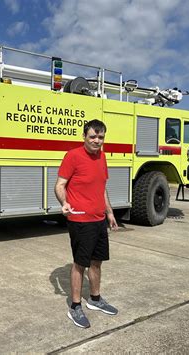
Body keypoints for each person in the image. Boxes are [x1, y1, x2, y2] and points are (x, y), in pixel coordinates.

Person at [55, 119, 119, 328]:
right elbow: (60, 185)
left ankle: (95, 298)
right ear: (84, 136)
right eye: (92, 136)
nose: (96, 141)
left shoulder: (102, 157)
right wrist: (64, 202)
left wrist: (109, 213)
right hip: (80, 219)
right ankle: (74, 307)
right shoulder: (73, 156)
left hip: (99, 218)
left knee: (97, 261)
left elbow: (101, 188)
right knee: (80, 264)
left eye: (100, 137)